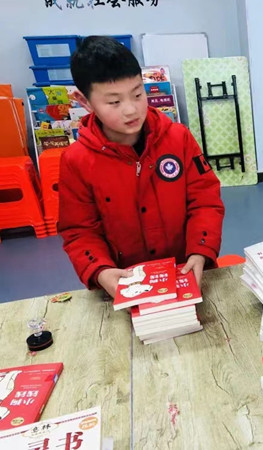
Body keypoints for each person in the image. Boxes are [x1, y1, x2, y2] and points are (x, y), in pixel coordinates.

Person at [58, 36, 225, 298]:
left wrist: (201, 249)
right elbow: (79, 230)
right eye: (114, 102)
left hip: (184, 272)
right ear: (84, 101)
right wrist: (100, 271)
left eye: (138, 94)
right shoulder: (76, 160)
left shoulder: (178, 139)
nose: (131, 110)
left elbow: (205, 200)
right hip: (125, 283)